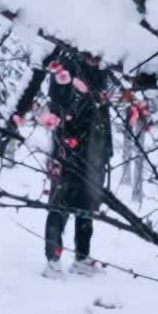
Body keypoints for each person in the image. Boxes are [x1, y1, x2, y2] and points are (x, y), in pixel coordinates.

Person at [42, 53, 112, 271]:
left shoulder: (103, 67)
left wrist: (106, 149)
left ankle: (82, 257)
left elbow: (103, 111)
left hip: (95, 148)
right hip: (69, 147)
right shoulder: (66, 66)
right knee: (60, 202)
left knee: (87, 203)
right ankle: (53, 260)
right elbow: (58, 107)